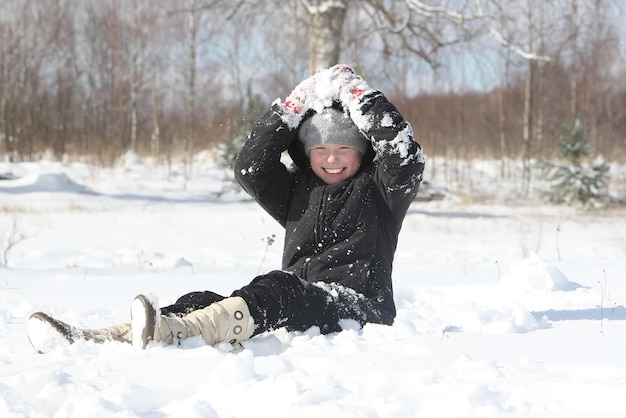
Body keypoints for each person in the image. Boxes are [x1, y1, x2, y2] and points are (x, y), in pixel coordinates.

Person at [27, 64, 425, 354]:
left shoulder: (382, 192)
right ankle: (110, 336)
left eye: (344, 149)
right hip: (301, 300)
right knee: (203, 295)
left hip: (358, 307)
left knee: (278, 288)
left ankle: (178, 333)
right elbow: (251, 167)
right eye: (321, 149)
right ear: (308, 153)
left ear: (362, 152)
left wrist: (358, 94)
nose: (332, 159)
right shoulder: (298, 191)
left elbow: (404, 155)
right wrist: (294, 104)